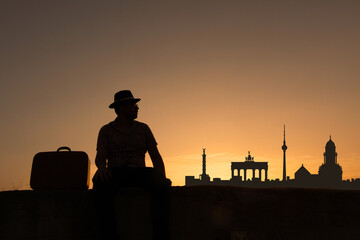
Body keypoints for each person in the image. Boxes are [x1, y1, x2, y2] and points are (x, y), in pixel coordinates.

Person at [92, 90, 171, 240]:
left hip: (139, 172)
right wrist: (101, 168)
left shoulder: (143, 129)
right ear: (121, 107)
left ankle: (161, 235)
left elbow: (156, 157)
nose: (137, 108)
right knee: (99, 184)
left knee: (162, 186)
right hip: (115, 172)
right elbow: (100, 156)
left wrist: (162, 178)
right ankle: (108, 235)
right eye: (133, 105)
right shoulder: (106, 130)